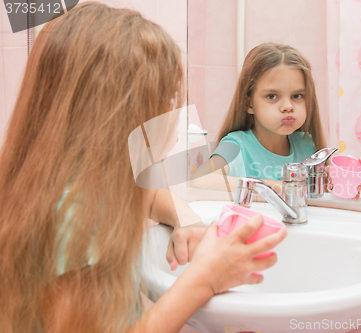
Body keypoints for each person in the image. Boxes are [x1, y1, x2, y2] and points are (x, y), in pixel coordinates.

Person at [0, 3, 286, 333]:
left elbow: (150, 197)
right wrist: (204, 280)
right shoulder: (74, 215)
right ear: (120, 118)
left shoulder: (79, 185)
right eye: (164, 103)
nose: (174, 120)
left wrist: (186, 221)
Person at [191, 43, 327, 192]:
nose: (288, 106)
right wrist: (272, 187)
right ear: (248, 104)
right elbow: (199, 180)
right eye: (272, 96)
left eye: (297, 96)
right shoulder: (236, 146)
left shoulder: (306, 145)